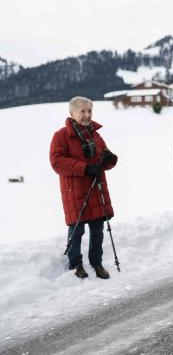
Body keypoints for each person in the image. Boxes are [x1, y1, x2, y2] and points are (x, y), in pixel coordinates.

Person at [50, 96, 118, 279]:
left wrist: (110, 159)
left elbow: (104, 159)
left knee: (97, 231)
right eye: (83, 111)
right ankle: (76, 264)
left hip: (96, 189)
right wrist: (85, 168)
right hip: (75, 192)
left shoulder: (95, 135)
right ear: (72, 113)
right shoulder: (61, 136)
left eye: (89, 111)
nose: (87, 115)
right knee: (77, 230)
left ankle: (97, 263)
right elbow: (57, 162)